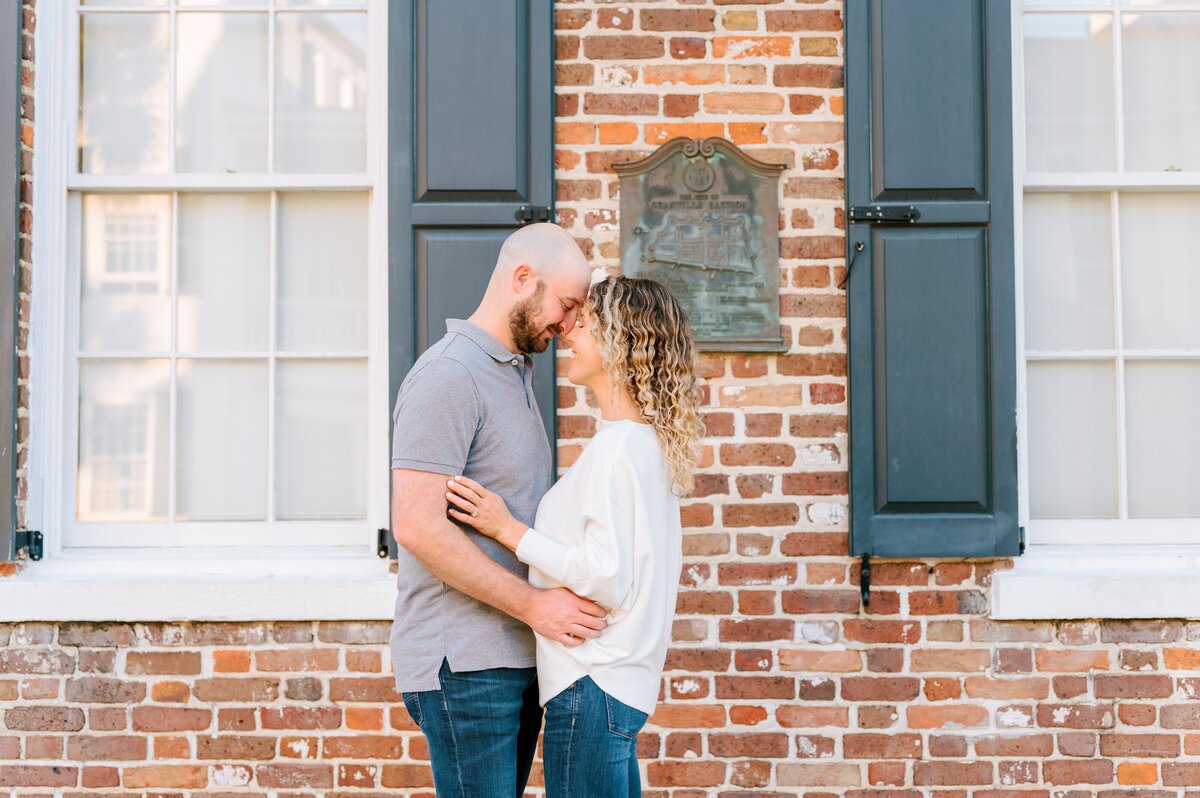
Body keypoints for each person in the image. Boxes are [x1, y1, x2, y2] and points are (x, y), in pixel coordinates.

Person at [447, 275, 703, 798]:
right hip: (611, 688)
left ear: (619, 343)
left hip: (591, 686)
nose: (568, 333)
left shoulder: (619, 451)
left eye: (583, 324)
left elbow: (606, 576)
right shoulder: (641, 445)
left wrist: (509, 530)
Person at [389, 222, 600, 798]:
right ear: (522, 278)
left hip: (510, 659)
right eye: (566, 305)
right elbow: (415, 525)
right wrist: (535, 606)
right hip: (465, 666)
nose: (569, 324)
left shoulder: (510, 375)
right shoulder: (449, 375)